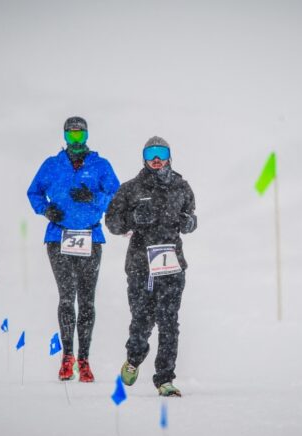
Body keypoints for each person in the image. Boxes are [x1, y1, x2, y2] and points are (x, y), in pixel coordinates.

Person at [27, 116, 120, 382]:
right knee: (67, 298)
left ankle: (85, 360)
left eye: (80, 136)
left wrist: (95, 197)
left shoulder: (100, 165)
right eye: (71, 136)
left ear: (87, 135)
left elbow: (117, 197)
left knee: (87, 300)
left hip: (90, 237)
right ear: (65, 136)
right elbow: (33, 192)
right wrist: (46, 210)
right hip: (59, 238)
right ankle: (67, 358)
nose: (76, 141)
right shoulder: (52, 165)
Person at [105, 136, 197, 397]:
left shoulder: (182, 187)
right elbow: (112, 223)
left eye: (161, 152)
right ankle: (134, 357)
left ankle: (165, 379)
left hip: (171, 265)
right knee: (142, 321)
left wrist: (189, 224)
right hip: (140, 266)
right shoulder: (130, 188)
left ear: (170, 155)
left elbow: (191, 217)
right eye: (151, 153)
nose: (156, 158)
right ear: (143, 157)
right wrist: (132, 219)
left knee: (169, 322)